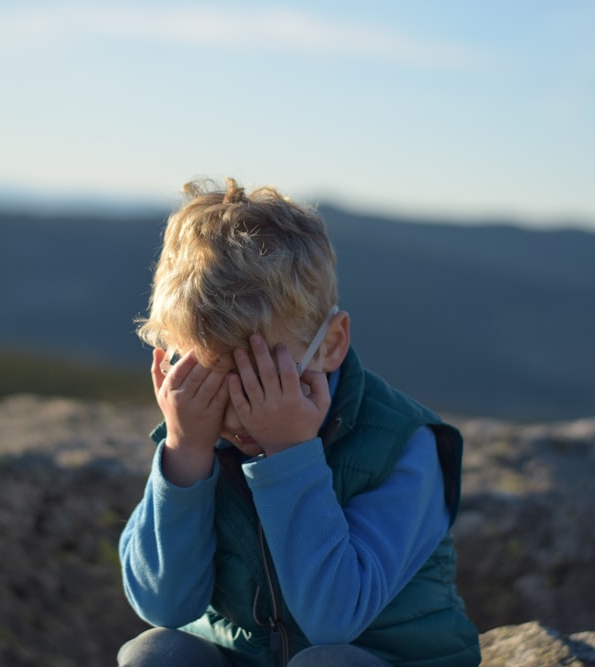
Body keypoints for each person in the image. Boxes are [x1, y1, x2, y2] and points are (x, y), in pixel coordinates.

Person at [117, 178, 481, 667]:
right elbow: (164, 605)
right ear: (171, 365)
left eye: (263, 380)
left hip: (376, 659)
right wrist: (185, 453)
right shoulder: (198, 434)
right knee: (155, 654)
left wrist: (290, 455)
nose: (242, 412)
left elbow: (334, 620)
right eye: (215, 385)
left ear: (330, 344)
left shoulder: (404, 446)